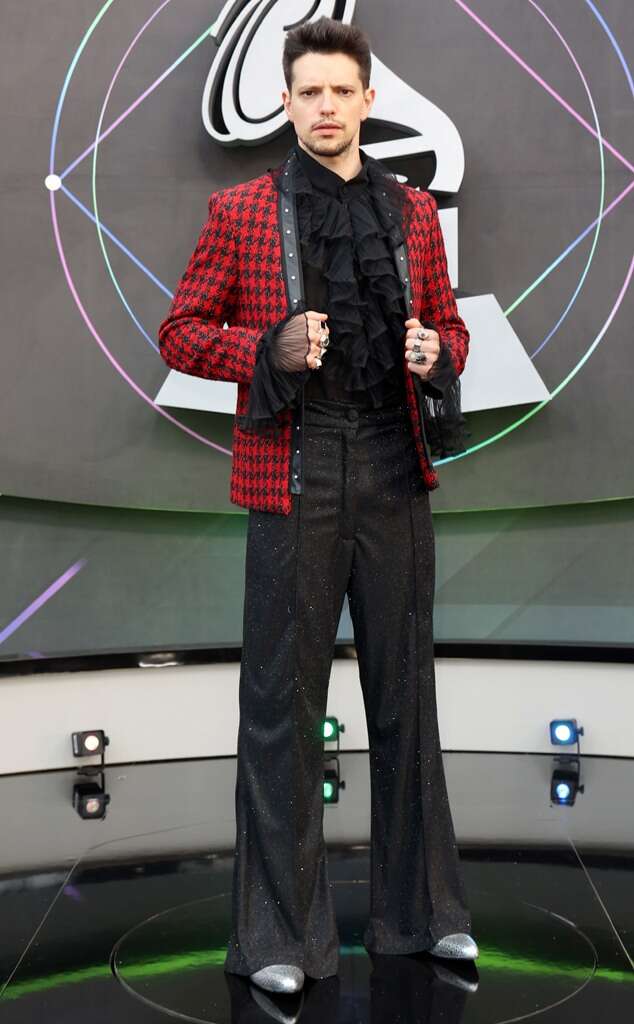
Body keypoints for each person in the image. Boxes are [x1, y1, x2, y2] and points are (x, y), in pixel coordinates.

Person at [158, 15, 477, 997]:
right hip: (293, 474)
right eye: (310, 92)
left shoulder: (413, 212)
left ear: (368, 99)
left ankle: (422, 918)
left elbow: (451, 327)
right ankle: (275, 938)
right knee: (281, 714)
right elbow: (179, 331)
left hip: (394, 469)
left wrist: (439, 352)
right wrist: (266, 348)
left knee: (407, 701)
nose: (327, 106)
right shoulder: (240, 211)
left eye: (342, 91)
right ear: (286, 103)